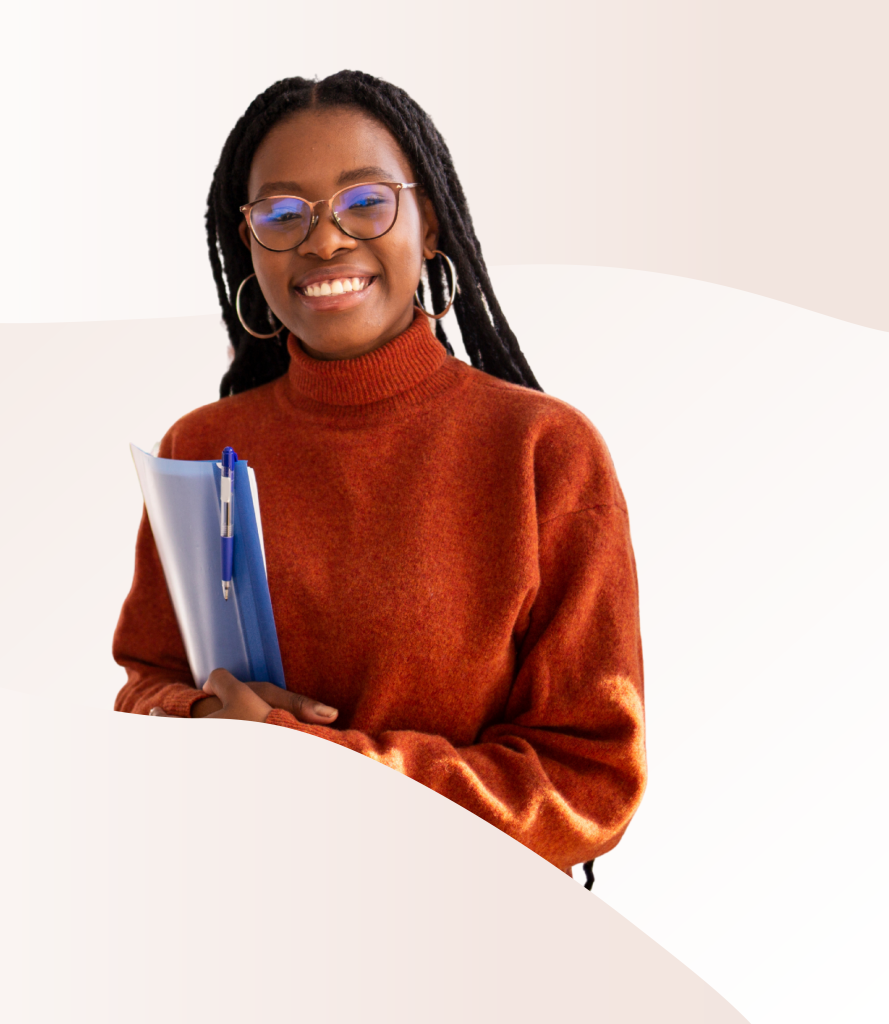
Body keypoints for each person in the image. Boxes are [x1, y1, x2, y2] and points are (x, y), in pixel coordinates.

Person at [113, 70, 646, 879]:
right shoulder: (202, 447)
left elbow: (589, 781)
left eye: (365, 202)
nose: (323, 241)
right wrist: (202, 712)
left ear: (428, 222)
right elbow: (144, 687)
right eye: (282, 214)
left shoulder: (544, 450)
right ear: (246, 245)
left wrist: (314, 764)